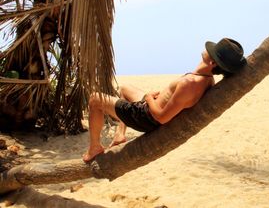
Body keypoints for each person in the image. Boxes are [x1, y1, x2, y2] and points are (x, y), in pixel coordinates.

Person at [83, 38, 246, 162]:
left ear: (211, 62)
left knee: (95, 99)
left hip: (145, 116)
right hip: (149, 107)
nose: (207, 49)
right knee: (125, 89)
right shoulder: (206, 79)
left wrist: (148, 98)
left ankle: (94, 147)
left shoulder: (190, 84)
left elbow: (161, 117)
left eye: (213, 51)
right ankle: (120, 134)